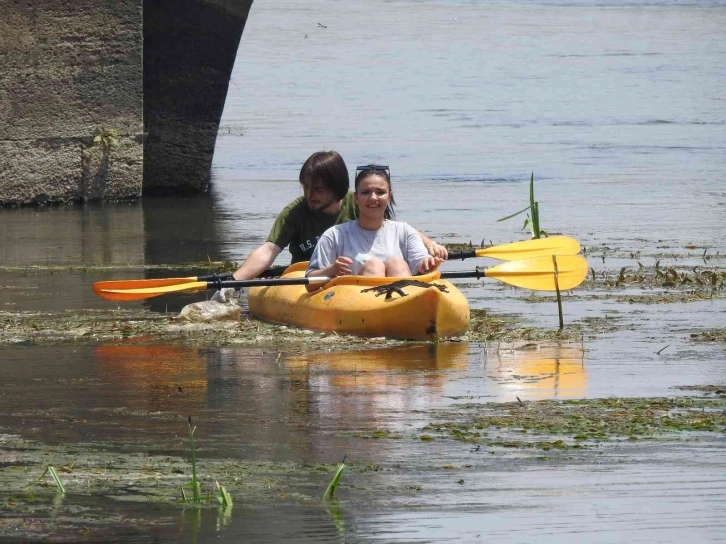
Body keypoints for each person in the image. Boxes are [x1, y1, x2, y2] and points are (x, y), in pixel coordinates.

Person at [231, 151, 447, 281]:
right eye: (306, 188)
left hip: (361, 273)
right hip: (314, 274)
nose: (310, 196)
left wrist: (428, 244)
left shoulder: (363, 204)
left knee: (393, 264)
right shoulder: (296, 212)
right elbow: (268, 250)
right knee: (374, 266)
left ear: (338, 191)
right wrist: (235, 281)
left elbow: (393, 229)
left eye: (318, 190)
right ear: (357, 195)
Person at [305, 164, 444, 289]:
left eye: (380, 192)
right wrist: (332, 270)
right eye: (365, 192)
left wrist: (428, 263)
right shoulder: (334, 235)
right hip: (357, 305)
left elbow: (420, 261)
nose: (373, 198)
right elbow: (309, 283)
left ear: (389, 196)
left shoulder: (404, 231)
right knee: (374, 266)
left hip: (402, 301)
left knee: (397, 264)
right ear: (356, 198)